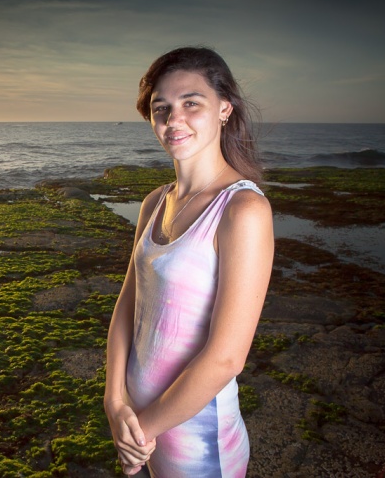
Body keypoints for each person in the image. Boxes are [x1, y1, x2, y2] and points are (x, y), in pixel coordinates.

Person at [104, 47, 274, 477]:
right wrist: (114, 402)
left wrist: (140, 433)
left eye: (190, 103)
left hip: (198, 440)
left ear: (224, 109)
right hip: (144, 427)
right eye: (161, 109)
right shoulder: (154, 202)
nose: (173, 119)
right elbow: (128, 307)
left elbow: (226, 358)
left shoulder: (243, 210)